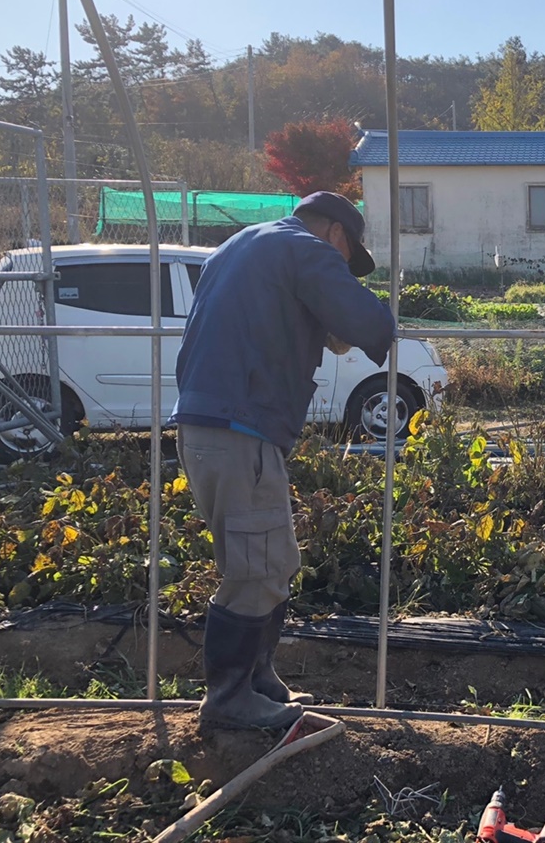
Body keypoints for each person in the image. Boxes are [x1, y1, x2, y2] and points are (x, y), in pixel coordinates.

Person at [175, 191, 395, 729]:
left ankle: (257, 678)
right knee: (259, 568)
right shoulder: (307, 251)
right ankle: (229, 699)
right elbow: (371, 325)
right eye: (348, 260)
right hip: (240, 431)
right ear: (337, 235)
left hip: (208, 425)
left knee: (269, 559)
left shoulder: (237, 246)